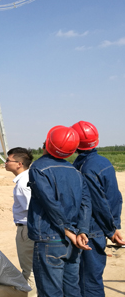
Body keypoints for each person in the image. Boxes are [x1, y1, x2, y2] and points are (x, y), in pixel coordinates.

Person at [27, 125, 92, 297]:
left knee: (50, 292)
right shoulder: (75, 171)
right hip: (75, 241)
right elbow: (86, 203)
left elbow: (49, 203)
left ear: (47, 144)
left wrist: (67, 230)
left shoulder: (38, 168)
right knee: (72, 290)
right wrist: (82, 231)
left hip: (51, 238)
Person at [71, 121, 124, 297]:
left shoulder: (85, 168)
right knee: (90, 278)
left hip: (91, 231)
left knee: (88, 281)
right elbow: (116, 197)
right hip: (98, 228)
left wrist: (111, 230)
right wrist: (115, 224)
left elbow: (98, 202)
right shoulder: (102, 161)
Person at [4, 147, 36, 295]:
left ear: (19, 164)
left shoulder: (23, 185)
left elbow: (33, 210)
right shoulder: (30, 177)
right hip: (30, 228)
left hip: (27, 229)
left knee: (29, 270)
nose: (5, 163)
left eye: (8, 160)